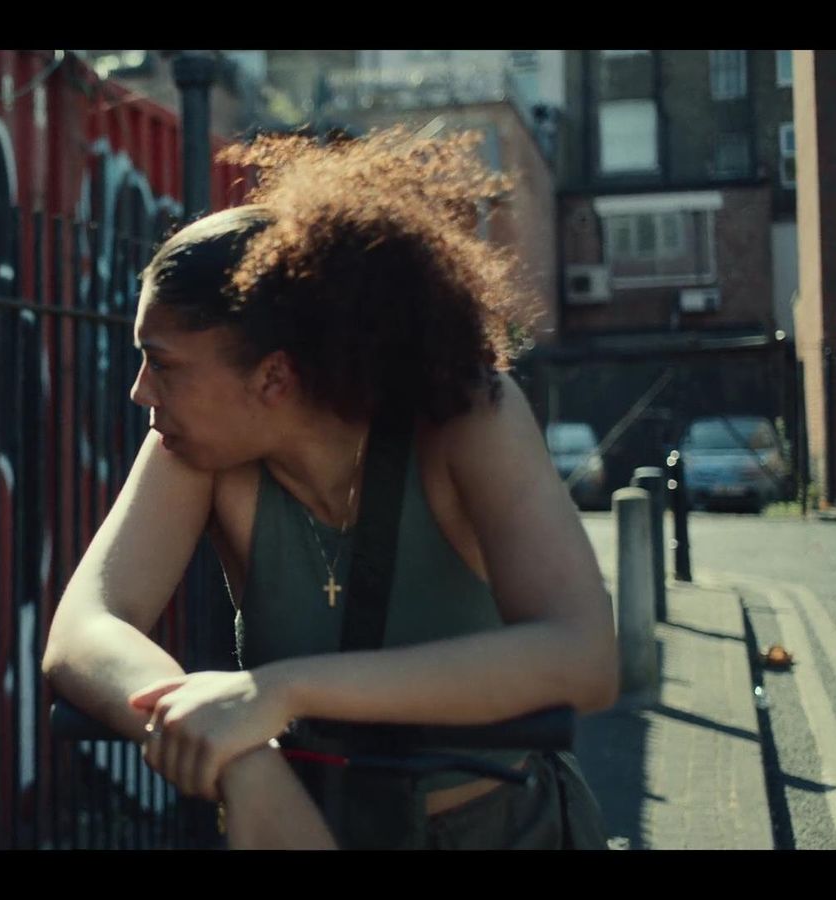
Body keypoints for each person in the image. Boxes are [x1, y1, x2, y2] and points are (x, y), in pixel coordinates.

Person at [41, 127, 615, 849]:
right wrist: (246, 762)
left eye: (162, 364)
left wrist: (280, 692)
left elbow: (584, 656)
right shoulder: (193, 447)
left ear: (273, 377)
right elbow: (84, 630)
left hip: (499, 827)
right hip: (308, 825)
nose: (139, 391)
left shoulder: (467, 416)